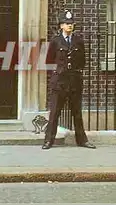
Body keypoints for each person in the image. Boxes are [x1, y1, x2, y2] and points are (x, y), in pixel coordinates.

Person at [42, 10, 96, 150]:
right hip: (59, 81)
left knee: (77, 112)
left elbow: (82, 61)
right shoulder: (55, 41)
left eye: (71, 23)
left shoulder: (78, 40)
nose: (70, 26)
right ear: (61, 26)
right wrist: (56, 74)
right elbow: (48, 60)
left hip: (74, 81)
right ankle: (48, 141)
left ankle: (82, 140)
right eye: (66, 23)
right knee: (54, 113)